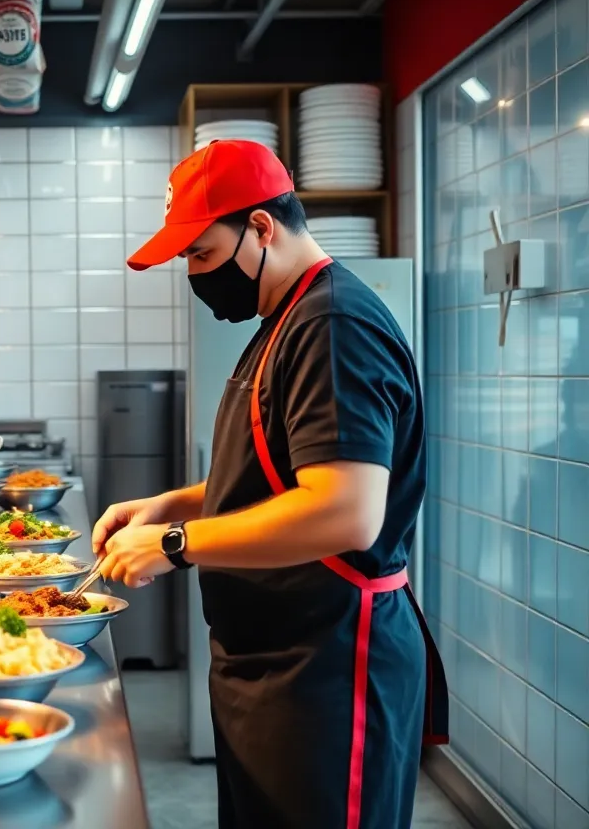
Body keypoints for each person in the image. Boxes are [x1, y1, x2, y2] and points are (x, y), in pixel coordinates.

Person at [94, 140, 448, 829]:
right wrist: (174, 502)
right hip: (276, 665)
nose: (194, 274)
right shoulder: (284, 318)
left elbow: (345, 511)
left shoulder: (333, 323)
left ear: (261, 227)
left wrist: (177, 541)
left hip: (330, 669)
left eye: (200, 254)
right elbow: (279, 472)